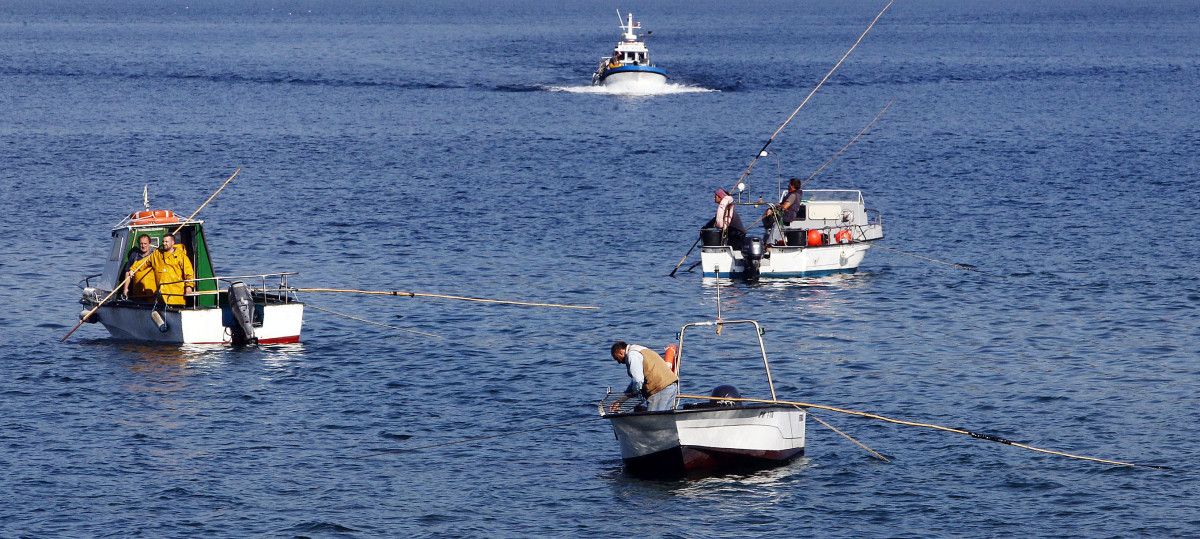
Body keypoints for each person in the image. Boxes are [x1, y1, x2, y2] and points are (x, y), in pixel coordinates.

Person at [608, 341, 679, 412]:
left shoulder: (632, 355)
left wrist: (636, 393)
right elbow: (635, 383)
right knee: (664, 418)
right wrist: (621, 401)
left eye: (617, 358)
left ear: (620, 352)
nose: (619, 362)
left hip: (660, 389)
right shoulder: (639, 349)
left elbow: (638, 380)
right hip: (671, 385)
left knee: (653, 419)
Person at [150, 232, 195, 306]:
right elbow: (144, 262)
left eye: (166, 241)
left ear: (173, 242)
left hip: (176, 296)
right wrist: (133, 269)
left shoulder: (181, 256)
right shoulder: (156, 254)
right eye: (163, 241)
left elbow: (189, 273)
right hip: (161, 296)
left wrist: (189, 287)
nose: (164, 243)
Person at [764, 178, 803, 245]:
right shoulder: (796, 194)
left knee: (775, 225)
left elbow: (785, 206)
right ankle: (770, 241)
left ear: (792, 186)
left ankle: (770, 244)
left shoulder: (793, 195)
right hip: (788, 218)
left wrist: (773, 209)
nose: (788, 185)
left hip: (786, 217)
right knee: (771, 225)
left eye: (789, 184)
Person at [123, 233, 157, 301]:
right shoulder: (134, 255)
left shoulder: (154, 255)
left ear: (149, 244)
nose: (143, 246)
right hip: (137, 292)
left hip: (151, 292)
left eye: (145, 243)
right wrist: (125, 289)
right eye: (141, 243)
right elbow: (128, 273)